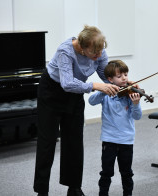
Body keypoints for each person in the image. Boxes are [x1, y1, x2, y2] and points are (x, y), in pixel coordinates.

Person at [33, 25, 120, 196]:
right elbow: (67, 83)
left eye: (101, 52)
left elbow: (106, 76)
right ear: (82, 47)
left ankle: (74, 187)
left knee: (74, 141)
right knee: (47, 142)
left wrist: (126, 84)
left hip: (75, 93)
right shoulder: (65, 51)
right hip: (51, 92)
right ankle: (41, 190)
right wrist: (94, 85)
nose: (99, 56)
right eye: (95, 53)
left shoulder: (99, 51)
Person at [88, 60, 142, 196]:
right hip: (109, 139)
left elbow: (137, 116)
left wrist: (135, 104)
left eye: (126, 74)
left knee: (127, 173)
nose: (124, 78)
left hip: (126, 140)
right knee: (106, 172)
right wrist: (104, 90)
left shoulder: (130, 95)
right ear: (110, 79)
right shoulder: (106, 95)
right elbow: (91, 101)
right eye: (119, 76)